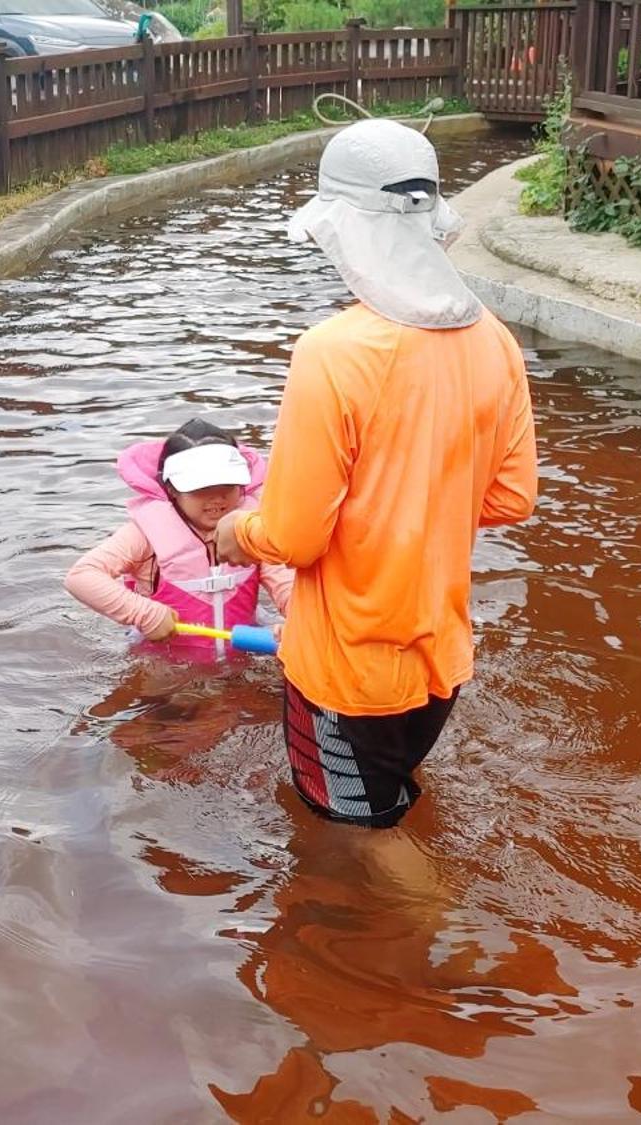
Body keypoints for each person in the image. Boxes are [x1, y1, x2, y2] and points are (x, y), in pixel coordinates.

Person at [213, 118, 538, 831]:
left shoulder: (333, 353)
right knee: (391, 798)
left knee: (361, 845)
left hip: (347, 675)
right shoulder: (496, 342)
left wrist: (238, 530)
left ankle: (453, 935)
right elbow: (513, 497)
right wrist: (419, 503)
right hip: (439, 663)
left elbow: (296, 535)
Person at [66, 418, 293, 652]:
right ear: (172, 489)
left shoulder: (252, 529)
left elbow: (288, 585)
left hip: (243, 651)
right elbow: (81, 576)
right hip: (164, 662)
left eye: (228, 485)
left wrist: (296, 621)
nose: (217, 498)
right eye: (201, 488)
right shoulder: (145, 535)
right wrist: (143, 613)